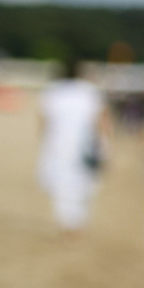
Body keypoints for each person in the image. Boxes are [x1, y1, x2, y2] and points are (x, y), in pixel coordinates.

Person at [36, 59, 106, 232]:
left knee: (62, 184)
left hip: (58, 144)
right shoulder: (90, 92)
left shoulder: (53, 91)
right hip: (85, 144)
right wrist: (105, 145)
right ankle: (76, 222)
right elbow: (101, 120)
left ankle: (68, 222)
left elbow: (44, 121)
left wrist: (45, 141)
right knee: (83, 185)